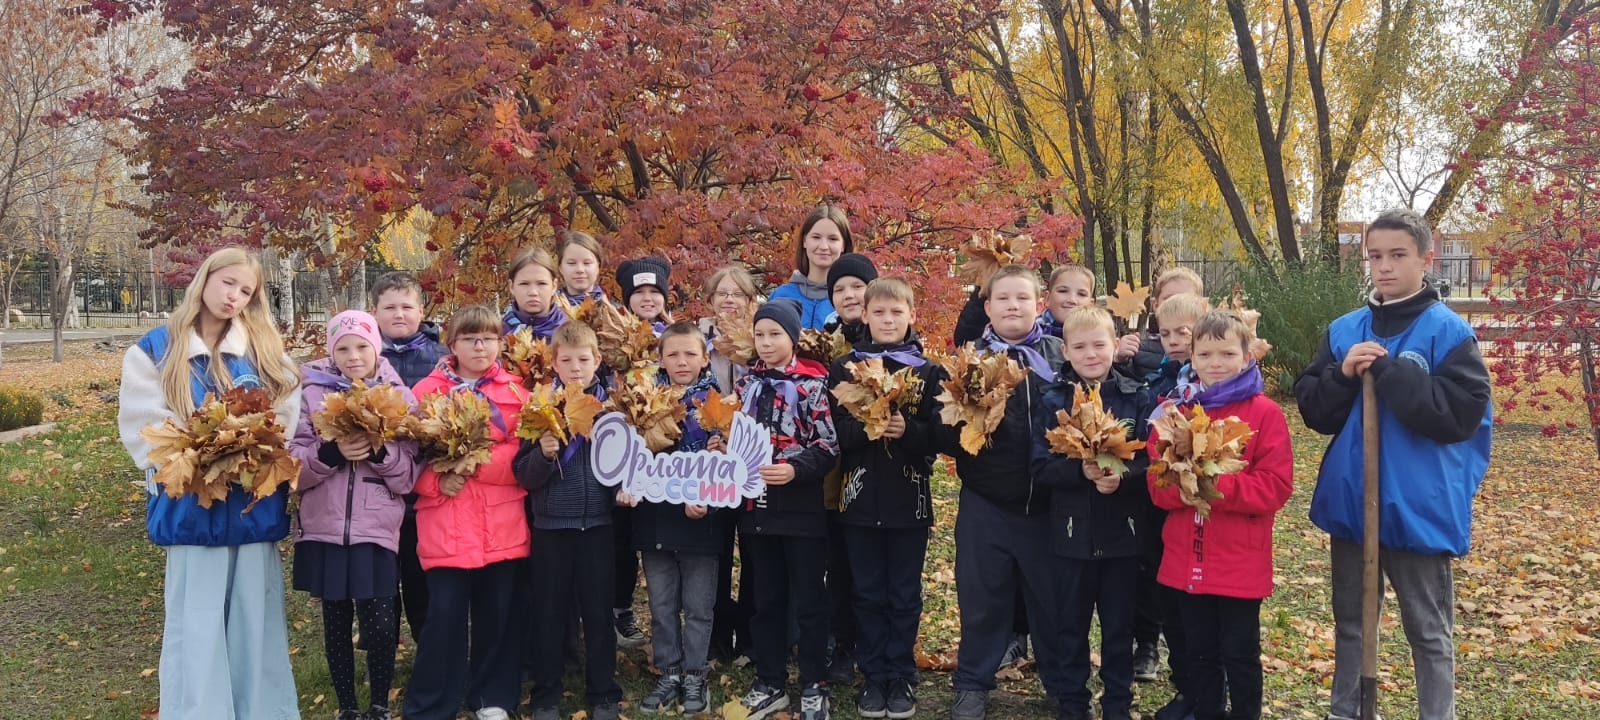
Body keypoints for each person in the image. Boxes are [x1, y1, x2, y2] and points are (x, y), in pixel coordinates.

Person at [1294, 208, 1492, 720]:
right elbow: (1314, 409)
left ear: (1426, 259)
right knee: (1352, 621)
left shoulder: (1447, 333)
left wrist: (1394, 374)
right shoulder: (1345, 330)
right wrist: (1341, 374)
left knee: (1428, 628)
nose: (1384, 267)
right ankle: (1349, 711)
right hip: (1353, 501)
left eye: (1397, 255)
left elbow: (1461, 416)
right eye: (1375, 256)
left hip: (1418, 503)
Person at [117, 247, 302, 719]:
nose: (234, 296)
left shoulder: (263, 351)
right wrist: (201, 454)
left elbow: (285, 413)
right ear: (205, 278)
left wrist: (249, 451)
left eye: (246, 290)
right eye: (228, 283)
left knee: (254, 624)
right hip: (191, 511)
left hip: (249, 507)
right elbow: (144, 425)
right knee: (196, 625)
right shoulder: (156, 350)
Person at [1148, 310, 1293, 720]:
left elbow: (1274, 486)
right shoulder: (1172, 413)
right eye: (1206, 353)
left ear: (1247, 356)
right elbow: (1157, 487)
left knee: (1240, 654)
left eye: (1227, 353)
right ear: (1191, 357)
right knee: (1199, 654)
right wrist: (1182, 488)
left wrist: (1212, 487)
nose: (1216, 363)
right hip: (1185, 556)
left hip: (1238, 560)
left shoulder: (1265, 414)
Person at [941, 265, 1071, 720]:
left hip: (1049, 503)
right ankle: (973, 682)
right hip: (986, 500)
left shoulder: (1061, 355)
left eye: (1022, 298)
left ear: (1040, 304)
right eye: (1003, 299)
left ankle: (1063, 686)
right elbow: (946, 430)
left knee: (1052, 601)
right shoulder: (970, 359)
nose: (1013, 306)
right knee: (982, 598)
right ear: (988, 307)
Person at [402, 306, 529, 720]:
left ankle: (492, 696)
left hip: (501, 523)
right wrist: (436, 483)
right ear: (452, 343)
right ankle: (433, 701)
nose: (480, 346)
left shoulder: (516, 392)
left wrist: (474, 462)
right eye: (470, 338)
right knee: (445, 616)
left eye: (488, 338)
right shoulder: (426, 392)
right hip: (446, 522)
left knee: (498, 615)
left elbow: (524, 457)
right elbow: (407, 459)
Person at [291, 311, 419, 720]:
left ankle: (379, 702)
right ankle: (347, 705)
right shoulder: (311, 393)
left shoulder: (399, 396)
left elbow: (408, 474)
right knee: (336, 619)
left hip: (376, 526)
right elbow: (292, 465)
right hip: (325, 525)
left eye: (362, 346)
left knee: (381, 621)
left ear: (376, 348)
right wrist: (330, 454)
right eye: (342, 348)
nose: (353, 356)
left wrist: (379, 453)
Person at [827, 278, 945, 719]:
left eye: (897, 312)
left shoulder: (928, 372)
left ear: (912, 315)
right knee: (867, 592)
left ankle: (901, 675)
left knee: (903, 593)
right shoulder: (844, 369)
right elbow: (835, 432)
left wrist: (908, 432)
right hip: (857, 503)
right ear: (866, 316)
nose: (889, 319)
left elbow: (943, 436)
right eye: (880, 312)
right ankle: (873, 674)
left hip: (908, 503)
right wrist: (870, 426)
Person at [1032, 306, 1155, 720]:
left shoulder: (1136, 396)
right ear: (1065, 351)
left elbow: (1152, 461)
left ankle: (1118, 703)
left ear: (1115, 346)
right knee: (1071, 625)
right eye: (1080, 347)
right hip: (1070, 535)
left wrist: (1124, 477)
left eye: (1099, 345)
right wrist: (1077, 471)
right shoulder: (1053, 400)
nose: (1090, 354)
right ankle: (1073, 702)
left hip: (1123, 533)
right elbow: (1038, 466)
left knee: (1119, 626)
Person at [513, 322, 625, 720]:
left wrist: (623, 491)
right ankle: (546, 695)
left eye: (583, 359)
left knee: (598, 612)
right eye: (566, 360)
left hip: (598, 526)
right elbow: (523, 476)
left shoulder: (615, 410)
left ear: (597, 359)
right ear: (553, 364)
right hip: (551, 529)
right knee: (550, 614)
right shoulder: (539, 410)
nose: (575, 367)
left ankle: (603, 693)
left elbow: (626, 467)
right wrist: (543, 456)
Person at [735, 299, 840, 720]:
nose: (766, 342)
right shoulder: (745, 386)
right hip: (755, 509)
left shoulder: (811, 385)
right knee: (766, 598)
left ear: (793, 337)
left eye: (774, 334)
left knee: (810, 599)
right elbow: (733, 439)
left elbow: (828, 447)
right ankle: (770, 680)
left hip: (801, 509)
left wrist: (795, 470)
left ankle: (814, 683)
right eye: (759, 334)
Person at [626, 322, 727, 716]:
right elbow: (628, 456)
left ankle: (695, 674)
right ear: (660, 358)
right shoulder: (642, 400)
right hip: (655, 519)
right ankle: (669, 671)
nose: (681, 361)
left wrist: (708, 500)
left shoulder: (719, 405)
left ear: (705, 358)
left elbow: (729, 471)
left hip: (701, 520)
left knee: (699, 605)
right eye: (673, 354)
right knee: (662, 602)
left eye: (690, 354)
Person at [371, 271, 449, 645]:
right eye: (389, 307)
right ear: (375, 312)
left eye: (406, 306)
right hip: (376, 494)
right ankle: (380, 651)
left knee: (421, 578)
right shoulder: (361, 358)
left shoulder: (443, 361)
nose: (398, 314)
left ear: (421, 310)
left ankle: (428, 649)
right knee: (380, 582)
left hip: (425, 492)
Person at [697, 264, 762, 660]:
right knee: (716, 549)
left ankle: (751, 636)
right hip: (712, 454)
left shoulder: (765, 334)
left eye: (737, 293)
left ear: (751, 300)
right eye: (721, 293)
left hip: (754, 457)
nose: (729, 300)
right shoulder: (698, 339)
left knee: (755, 550)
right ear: (709, 300)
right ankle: (718, 635)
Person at [820, 251, 878, 684]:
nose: (849, 295)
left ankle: (873, 643)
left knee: (871, 566)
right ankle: (842, 643)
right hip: (831, 469)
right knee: (838, 562)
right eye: (839, 289)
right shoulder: (822, 342)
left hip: (878, 470)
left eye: (857, 286)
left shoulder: (892, 339)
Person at [769, 205, 854, 329]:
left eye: (833, 239)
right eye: (816, 237)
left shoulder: (852, 300)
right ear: (804, 241)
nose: (824, 246)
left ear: (843, 246)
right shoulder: (781, 296)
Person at [1119, 267, 1205, 378]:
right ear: (1155, 305)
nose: (1176, 305)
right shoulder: (1137, 352)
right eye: (1169, 299)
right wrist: (1120, 361)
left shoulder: (1216, 352)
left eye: (1185, 299)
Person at [503, 247, 569, 339]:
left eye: (542, 283)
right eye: (524, 284)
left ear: (554, 286)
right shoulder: (496, 334)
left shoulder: (569, 332)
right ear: (512, 287)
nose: (533, 292)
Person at [1038, 263, 1097, 338]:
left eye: (1081, 294)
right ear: (1047, 299)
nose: (1072, 300)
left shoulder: (1098, 337)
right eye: (1063, 291)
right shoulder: (1031, 336)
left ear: (1091, 305)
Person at [617, 256, 674, 333]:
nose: (647, 298)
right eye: (639, 292)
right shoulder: (615, 334)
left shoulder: (681, 334)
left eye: (654, 291)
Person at [555, 230, 610, 308]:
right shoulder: (548, 314)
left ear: (598, 266)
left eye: (587, 263)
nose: (580, 270)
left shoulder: (615, 314)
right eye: (571, 263)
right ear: (560, 267)